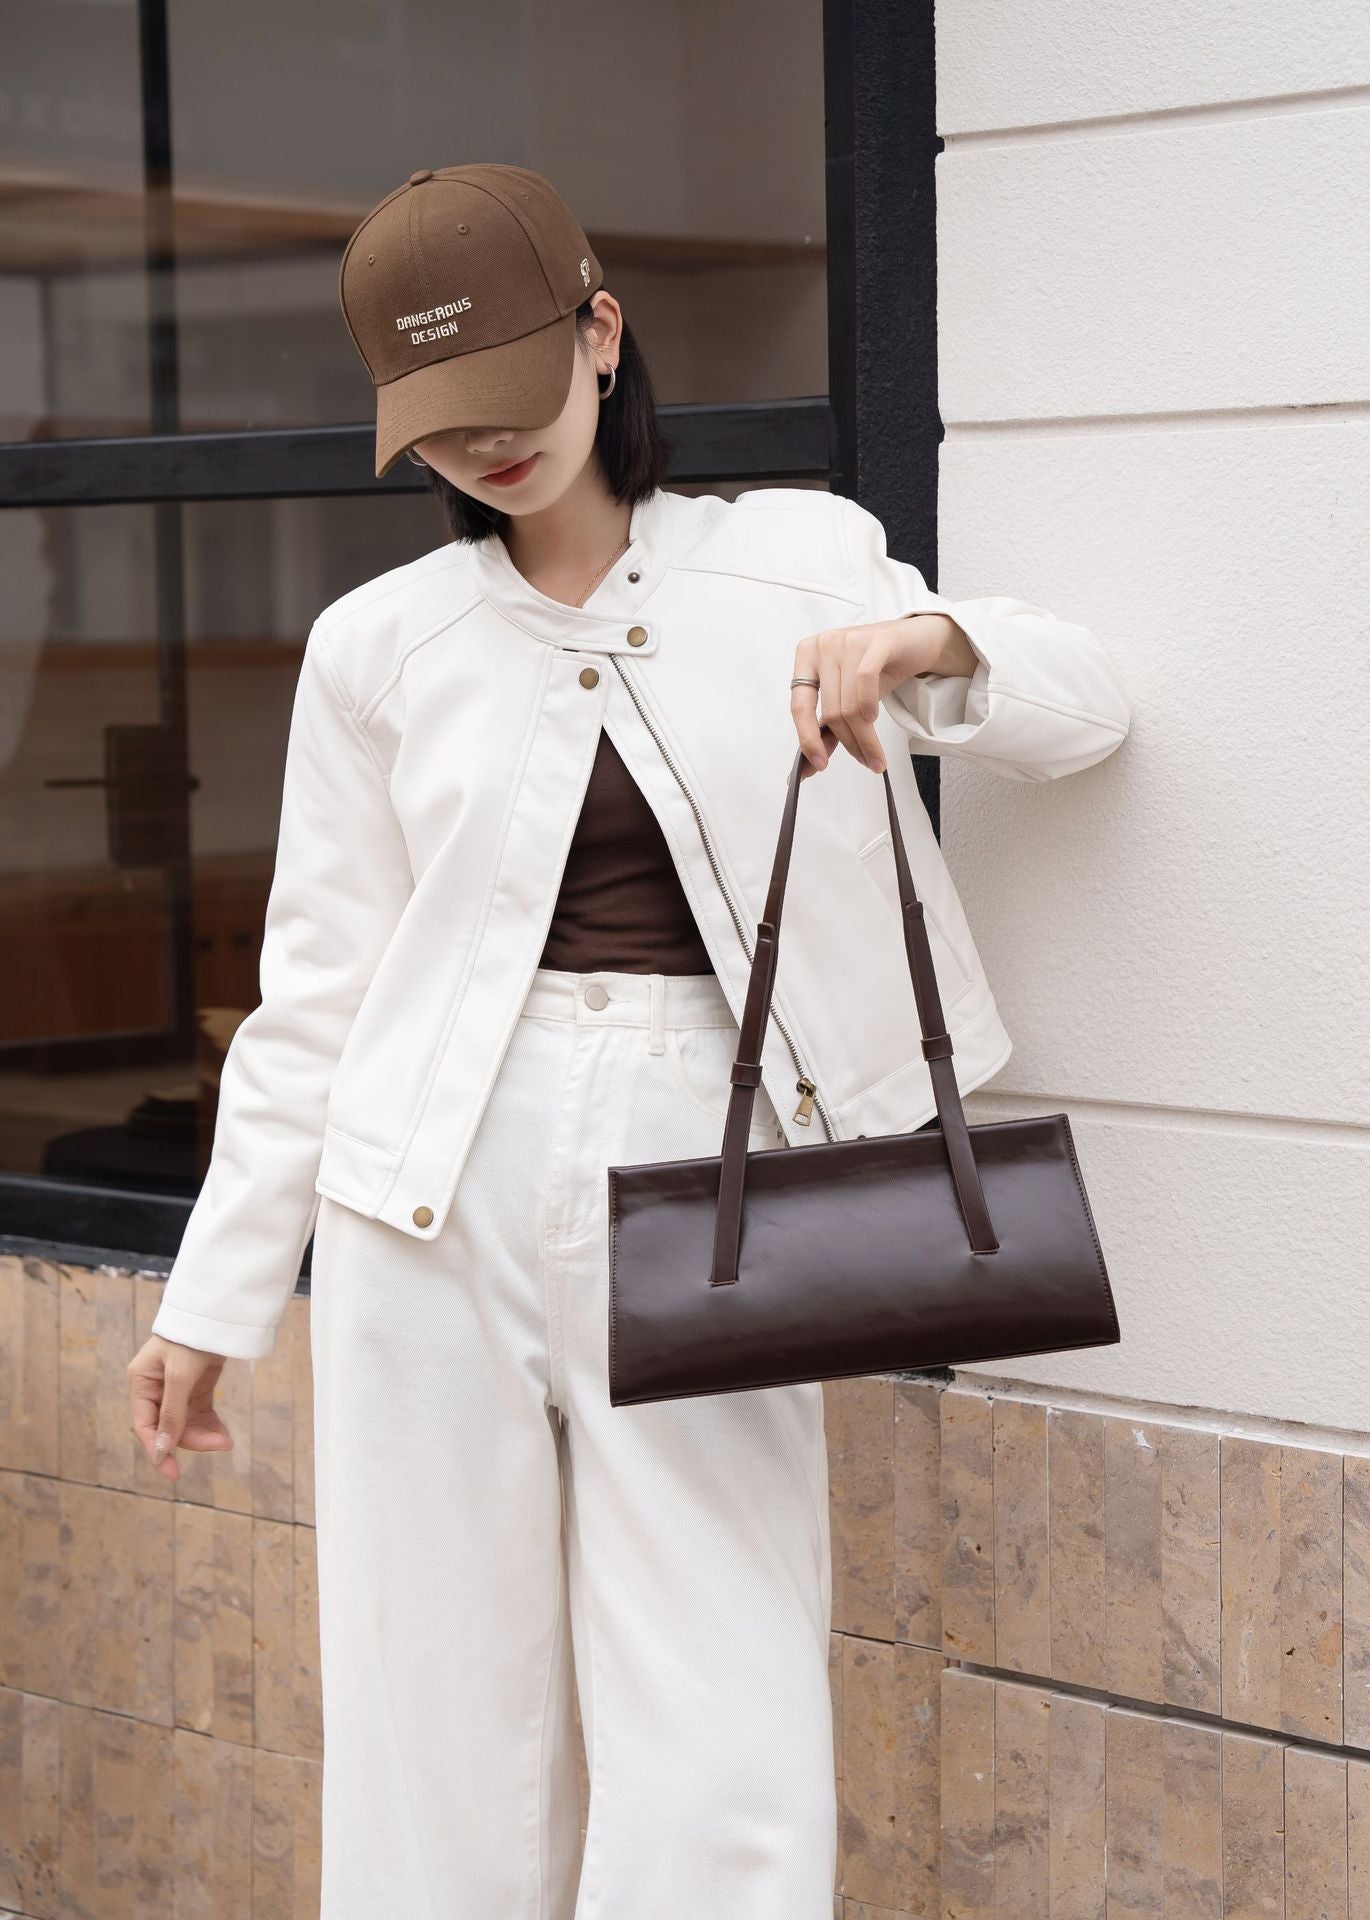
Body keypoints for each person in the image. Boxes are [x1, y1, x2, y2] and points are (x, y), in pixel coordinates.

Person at [126, 163, 1131, 1917]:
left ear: (603, 333)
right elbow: (315, 998)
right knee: (430, 1715)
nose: (489, 454)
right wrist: (210, 1302)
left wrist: (915, 645)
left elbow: (1092, 707)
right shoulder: (380, 645)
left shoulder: (796, 557)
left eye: (511, 400)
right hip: (422, 1195)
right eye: (443, 433)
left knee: (719, 1708)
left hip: (707, 1165)